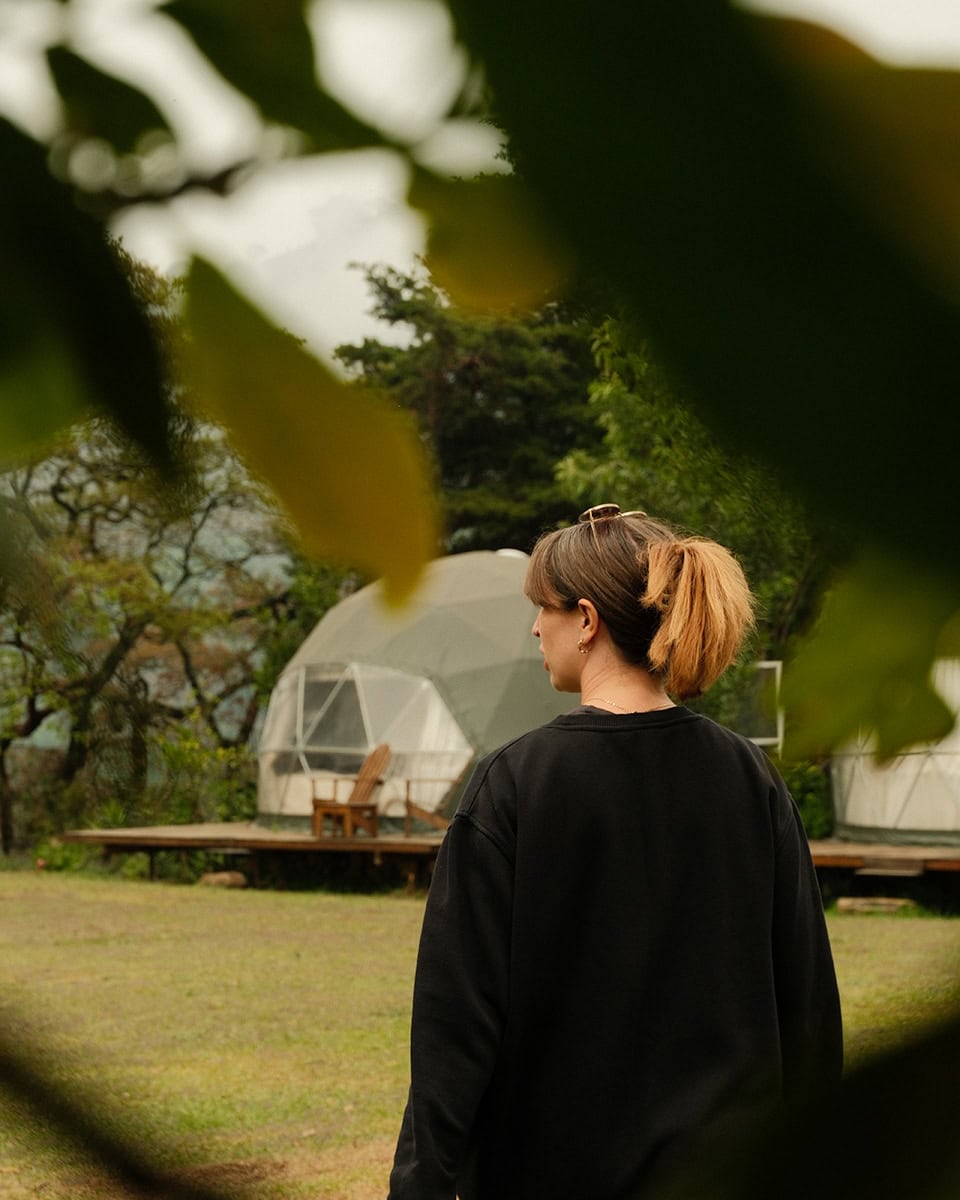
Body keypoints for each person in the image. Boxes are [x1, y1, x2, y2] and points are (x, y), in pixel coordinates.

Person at [387, 503, 842, 1200]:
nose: (536, 627)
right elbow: (808, 1009)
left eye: (544, 607)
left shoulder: (516, 784)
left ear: (588, 621)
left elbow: (456, 1026)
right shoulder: (749, 779)